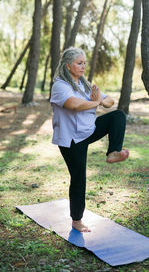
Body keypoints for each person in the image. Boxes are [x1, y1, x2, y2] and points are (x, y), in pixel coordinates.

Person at [50, 47, 129, 232]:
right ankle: (76, 220)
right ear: (68, 65)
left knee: (118, 116)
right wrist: (96, 102)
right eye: (79, 63)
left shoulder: (85, 84)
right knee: (79, 178)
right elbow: (74, 104)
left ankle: (113, 153)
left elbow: (110, 102)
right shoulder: (60, 85)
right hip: (71, 140)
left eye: (84, 63)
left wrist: (99, 100)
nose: (83, 66)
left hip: (88, 130)